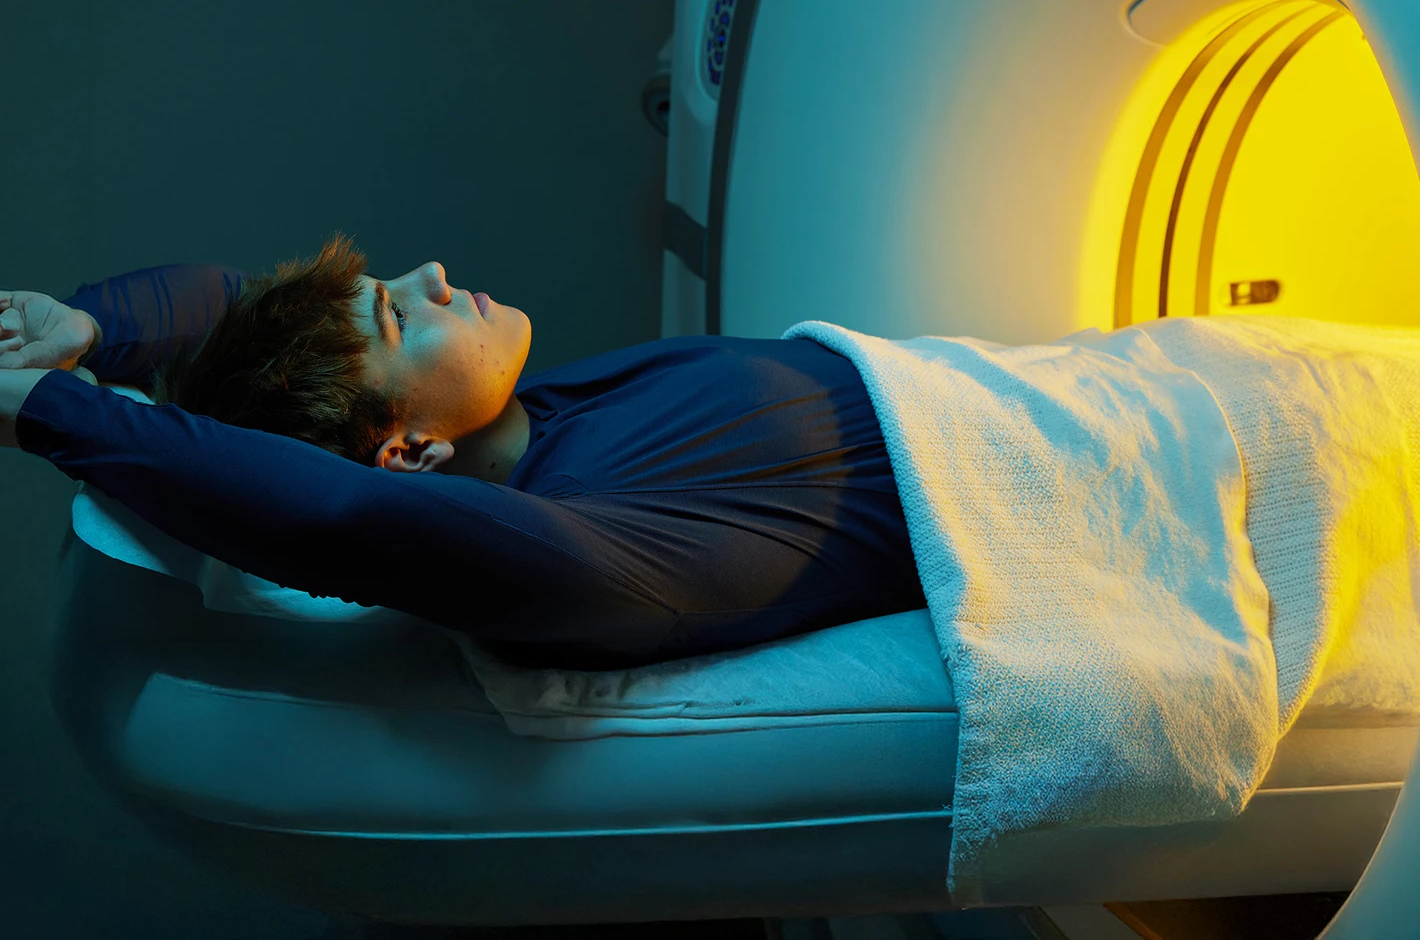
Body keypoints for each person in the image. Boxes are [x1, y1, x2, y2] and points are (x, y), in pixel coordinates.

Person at [0, 239, 924, 667]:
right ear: (406, 453)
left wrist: (84, 328)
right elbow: (337, 514)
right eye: (399, 313)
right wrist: (47, 408)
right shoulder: (569, 552)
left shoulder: (542, 414)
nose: (433, 273)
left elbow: (224, 293)